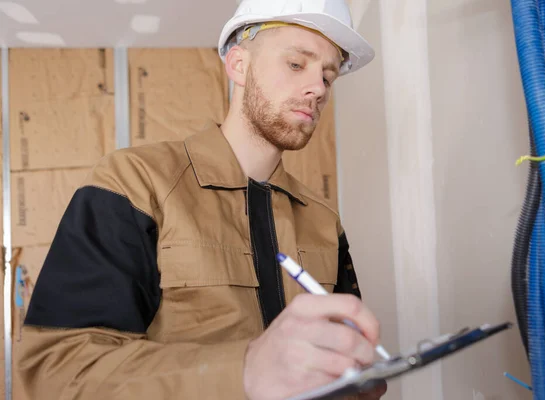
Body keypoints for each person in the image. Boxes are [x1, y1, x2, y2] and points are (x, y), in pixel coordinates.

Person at [18, 0, 387, 399]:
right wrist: (246, 370)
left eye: (328, 77)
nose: (317, 89)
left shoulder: (322, 219)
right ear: (239, 65)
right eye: (297, 64)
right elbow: (57, 373)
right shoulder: (134, 182)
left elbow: (341, 354)